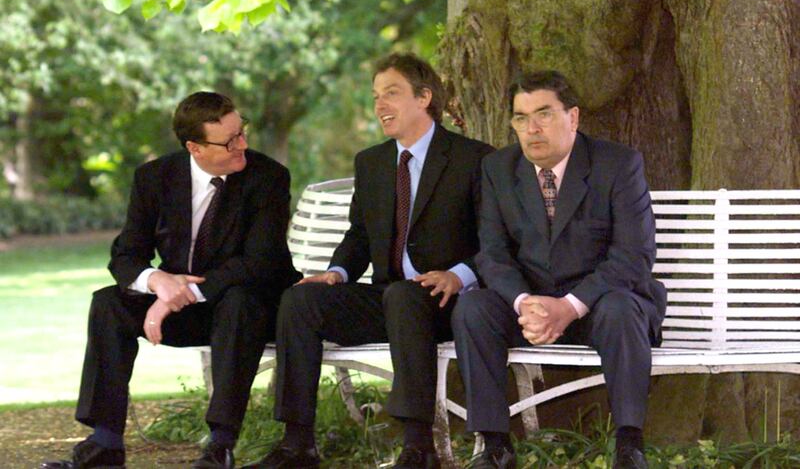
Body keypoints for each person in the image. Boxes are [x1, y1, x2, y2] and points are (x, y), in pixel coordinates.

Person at [243, 53, 494, 469]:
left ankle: (418, 447)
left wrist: (458, 274)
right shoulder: (373, 162)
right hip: (389, 296)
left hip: (449, 300)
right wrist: (336, 272)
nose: (379, 106)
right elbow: (360, 234)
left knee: (403, 296)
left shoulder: (474, 158)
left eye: (391, 94)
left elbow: (497, 240)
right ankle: (297, 444)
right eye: (376, 96)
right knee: (300, 301)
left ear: (424, 97)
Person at [41, 91, 301, 469]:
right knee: (108, 303)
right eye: (229, 141)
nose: (241, 144)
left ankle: (220, 444)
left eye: (241, 132)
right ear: (194, 147)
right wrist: (157, 282)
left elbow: (258, 262)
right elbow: (126, 254)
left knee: (239, 301)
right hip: (188, 311)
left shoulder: (268, 177)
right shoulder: (155, 177)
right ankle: (106, 443)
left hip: (251, 306)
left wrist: (181, 294)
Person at [452, 71, 666, 469]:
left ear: (574, 117)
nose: (531, 128)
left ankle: (629, 446)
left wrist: (569, 306)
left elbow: (634, 256)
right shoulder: (498, 169)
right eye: (520, 117)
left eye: (544, 114)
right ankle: (495, 445)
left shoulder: (617, 164)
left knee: (622, 308)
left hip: (599, 305)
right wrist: (524, 302)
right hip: (531, 309)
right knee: (473, 308)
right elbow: (492, 254)